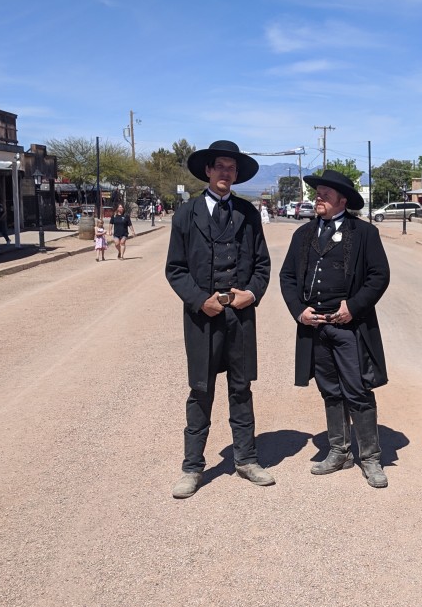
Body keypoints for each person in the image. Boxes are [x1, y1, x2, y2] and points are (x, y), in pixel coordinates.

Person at [165, 140, 273, 498]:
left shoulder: (248, 212)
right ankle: (192, 468)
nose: (226, 173)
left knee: (241, 389)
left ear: (236, 174)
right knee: (201, 389)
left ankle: (246, 459)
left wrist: (252, 293)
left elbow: (262, 264)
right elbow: (175, 269)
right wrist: (199, 301)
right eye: (220, 166)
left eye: (232, 168)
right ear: (208, 171)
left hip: (240, 316)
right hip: (203, 318)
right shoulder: (186, 214)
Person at [279, 170, 392, 488]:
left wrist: (353, 307)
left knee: (357, 390)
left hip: (349, 327)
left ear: (342, 200)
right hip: (315, 327)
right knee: (329, 389)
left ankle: (370, 457)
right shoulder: (302, 235)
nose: (318, 198)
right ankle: (339, 451)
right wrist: (299, 312)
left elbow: (378, 276)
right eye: (317, 193)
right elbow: (287, 277)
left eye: (325, 194)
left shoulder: (365, 233)